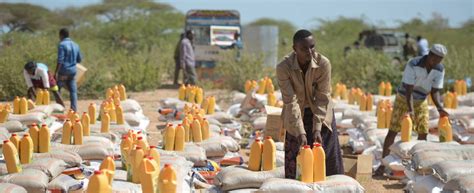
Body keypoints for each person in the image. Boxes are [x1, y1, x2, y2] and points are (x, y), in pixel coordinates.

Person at [276, 29, 344, 179]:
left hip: (320, 112)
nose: (310, 51)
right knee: (297, 162)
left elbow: (323, 97)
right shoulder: (283, 68)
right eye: (304, 48)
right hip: (295, 114)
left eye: (312, 46)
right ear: (294, 49)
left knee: (327, 158)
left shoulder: (323, 64)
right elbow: (290, 101)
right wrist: (300, 131)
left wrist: (317, 128)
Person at [378, 44, 449, 175]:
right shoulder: (413, 63)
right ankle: (382, 166)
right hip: (404, 98)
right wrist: (410, 110)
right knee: (393, 130)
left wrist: (440, 108)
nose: (436, 62)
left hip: (421, 100)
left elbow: (434, 91)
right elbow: (409, 89)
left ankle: (420, 167)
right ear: (430, 55)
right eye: (435, 59)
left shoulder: (439, 69)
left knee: (423, 131)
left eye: (440, 60)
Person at [55, 28, 82, 112]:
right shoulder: (76, 45)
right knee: (73, 91)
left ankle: (60, 109)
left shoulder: (62, 45)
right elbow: (79, 59)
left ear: (61, 35)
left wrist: (56, 73)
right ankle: (73, 110)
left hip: (63, 71)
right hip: (73, 71)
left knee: (57, 90)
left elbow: (60, 60)